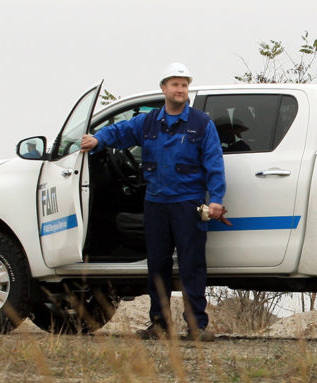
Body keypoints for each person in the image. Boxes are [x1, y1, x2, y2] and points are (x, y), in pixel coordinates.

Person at [80, 62, 225, 342]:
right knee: (156, 266)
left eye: (184, 84)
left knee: (191, 265)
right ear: (164, 88)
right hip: (156, 204)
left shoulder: (200, 124)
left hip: (188, 203)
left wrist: (216, 199)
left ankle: (197, 326)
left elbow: (214, 163)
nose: (180, 89)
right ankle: (159, 325)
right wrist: (97, 139)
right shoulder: (148, 122)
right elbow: (120, 132)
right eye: (175, 84)